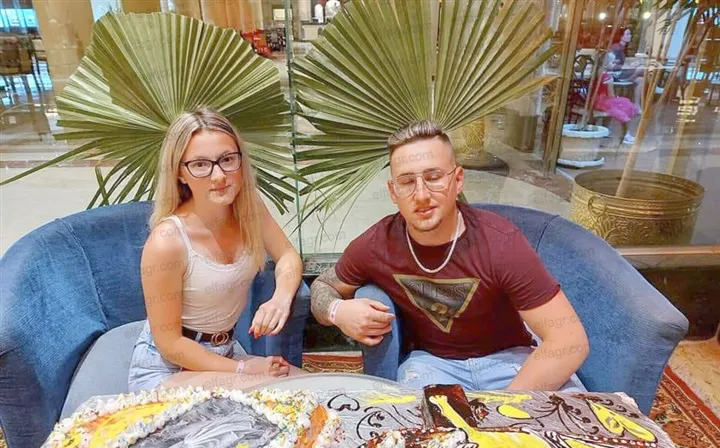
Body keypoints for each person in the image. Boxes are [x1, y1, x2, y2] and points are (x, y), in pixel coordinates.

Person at [310, 120, 589, 392]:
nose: (421, 195)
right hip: (430, 366)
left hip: (509, 361)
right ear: (393, 192)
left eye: (433, 178)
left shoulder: (500, 243)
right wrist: (337, 311)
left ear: (457, 180)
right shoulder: (377, 244)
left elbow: (569, 340)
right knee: (405, 420)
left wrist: (504, 408)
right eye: (407, 182)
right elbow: (322, 286)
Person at [128, 108, 304, 392]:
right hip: (166, 369)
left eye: (227, 159)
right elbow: (170, 343)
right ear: (180, 173)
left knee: (314, 390)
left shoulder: (250, 209)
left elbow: (288, 256)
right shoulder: (167, 241)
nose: (219, 175)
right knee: (278, 400)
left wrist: (280, 299)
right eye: (200, 164)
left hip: (225, 355)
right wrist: (244, 369)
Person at [595, 52, 640, 145]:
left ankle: (608, 129)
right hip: (605, 102)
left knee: (623, 102)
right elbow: (611, 94)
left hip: (597, 99)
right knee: (626, 104)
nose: (614, 65)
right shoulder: (608, 77)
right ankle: (625, 134)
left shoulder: (597, 72)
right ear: (606, 64)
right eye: (612, 62)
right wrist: (617, 98)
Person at [609, 27, 644, 109]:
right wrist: (630, 66)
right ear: (621, 37)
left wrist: (631, 64)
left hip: (622, 73)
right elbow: (611, 66)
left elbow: (622, 63)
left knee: (641, 80)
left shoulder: (623, 48)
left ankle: (637, 105)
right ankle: (632, 79)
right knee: (641, 68)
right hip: (616, 75)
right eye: (627, 34)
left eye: (630, 34)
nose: (630, 36)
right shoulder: (616, 48)